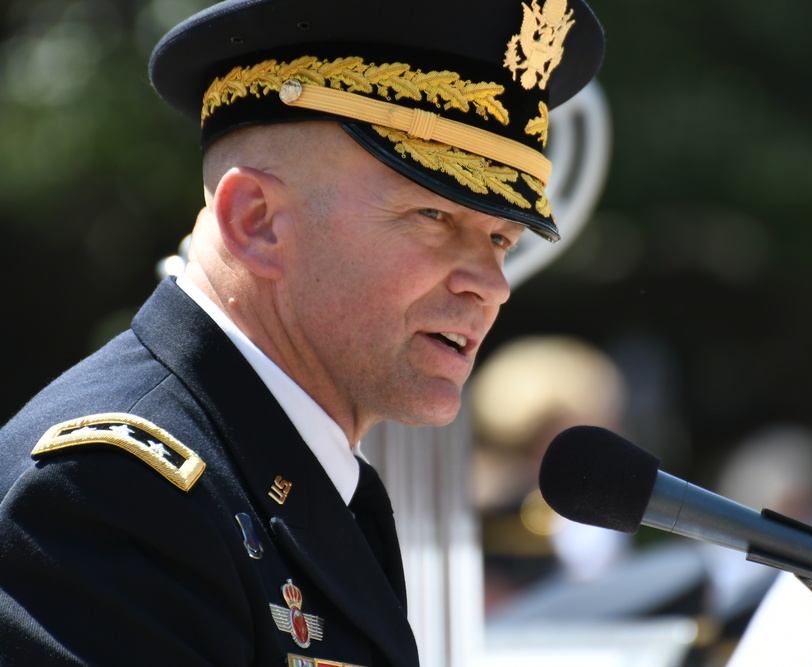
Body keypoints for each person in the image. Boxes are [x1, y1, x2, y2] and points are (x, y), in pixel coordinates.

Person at [0, 1, 605, 665]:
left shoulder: (283, 472)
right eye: (433, 214)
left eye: (500, 237)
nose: (492, 284)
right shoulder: (112, 496)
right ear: (255, 220)